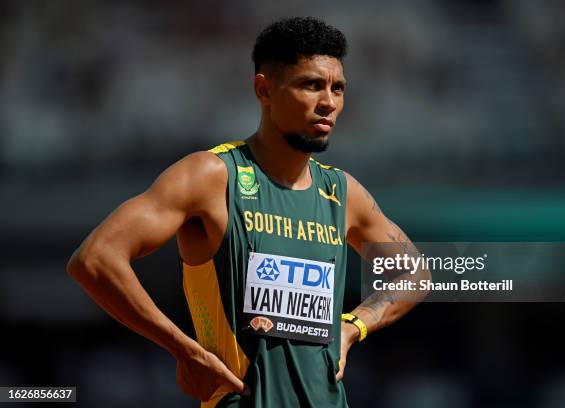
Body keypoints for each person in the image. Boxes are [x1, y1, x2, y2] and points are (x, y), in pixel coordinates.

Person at [67, 16, 429, 408]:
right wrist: (182, 349)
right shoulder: (210, 176)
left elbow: (415, 272)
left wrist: (353, 326)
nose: (329, 102)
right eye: (311, 84)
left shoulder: (342, 193)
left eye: (337, 88)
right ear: (264, 89)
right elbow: (95, 259)